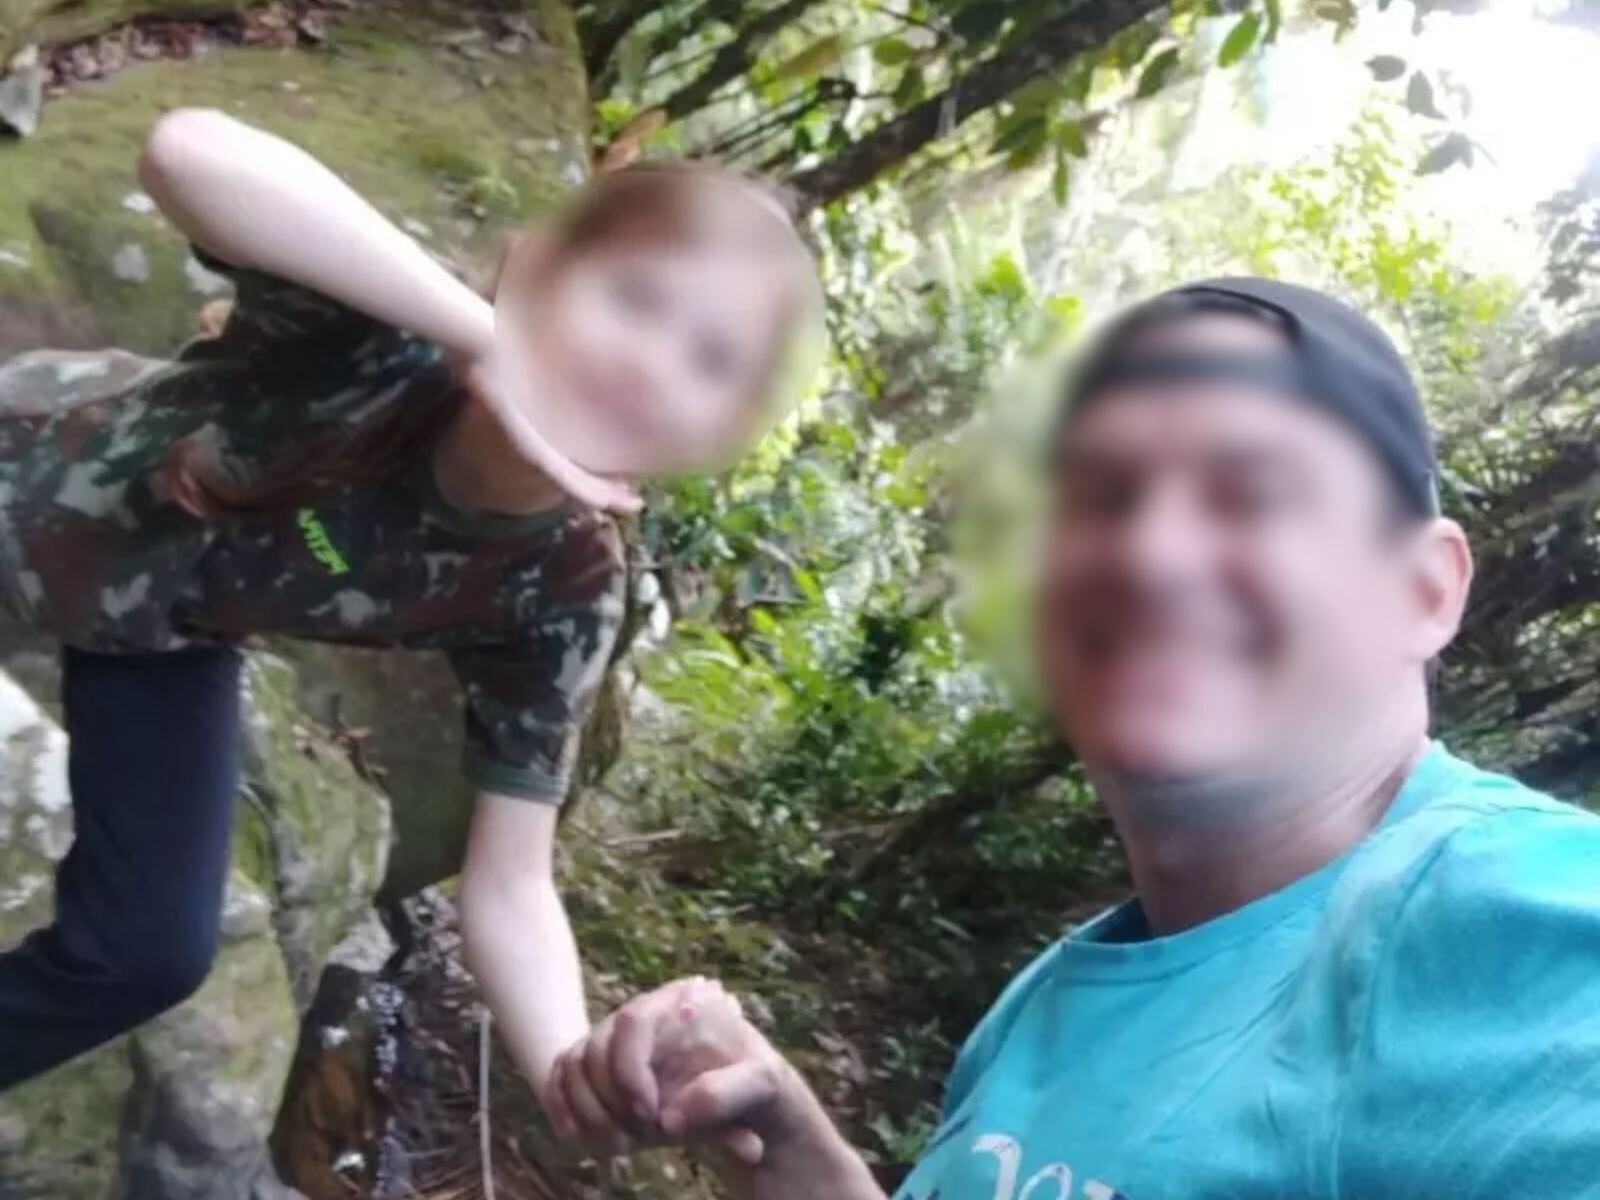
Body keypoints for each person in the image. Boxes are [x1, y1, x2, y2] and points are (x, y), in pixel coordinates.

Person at [547, 280, 1600, 1199]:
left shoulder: (1529, 926)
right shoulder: (1057, 996)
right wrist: (787, 1139)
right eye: (1096, 497)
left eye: (1249, 493)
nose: (1148, 551)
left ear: (1422, 591)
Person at [0, 108, 819, 1095]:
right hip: (22, 468)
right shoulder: (386, 341)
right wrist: (485, 339)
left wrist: (572, 1072)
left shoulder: (566, 591)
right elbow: (189, 153)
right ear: (539, 269)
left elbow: (512, 882)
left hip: (150, 632)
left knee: (149, 950)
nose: (651, 361)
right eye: (634, 298)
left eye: (711, 361)